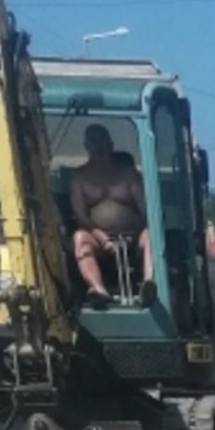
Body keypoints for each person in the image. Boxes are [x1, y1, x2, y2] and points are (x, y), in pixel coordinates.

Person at [68, 125, 147, 303]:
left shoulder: (129, 174)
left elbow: (145, 211)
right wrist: (103, 239)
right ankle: (98, 290)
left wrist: (133, 234)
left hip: (133, 237)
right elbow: (80, 216)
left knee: (151, 236)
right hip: (98, 238)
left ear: (111, 145)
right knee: (80, 238)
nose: (99, 146)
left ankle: (150, 285)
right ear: (87, 146)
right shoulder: (79, 177)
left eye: (103, 141)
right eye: (94, 142)